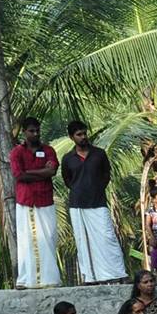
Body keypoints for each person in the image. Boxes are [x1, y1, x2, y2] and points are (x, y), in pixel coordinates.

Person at [59, 120, 126, 283]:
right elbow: (67, 180)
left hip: (98, 202)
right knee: (83, 241)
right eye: (78, 135)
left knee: (107, 237)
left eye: (84, 133)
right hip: (77, 204)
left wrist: (95, 188)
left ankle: (118, 274)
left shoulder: (99, 154)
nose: (83, 137)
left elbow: (106, 175)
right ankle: (90, 277)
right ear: (71, 137)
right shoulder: (68, 158)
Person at [7, 116, 62, 287]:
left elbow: (52, 171)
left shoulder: (48, 150)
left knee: (49, 238)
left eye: (37, 130)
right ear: (24, 132)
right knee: (28, 240)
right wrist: (41, 171)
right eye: (31, 131)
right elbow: (19, 175)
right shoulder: (17, 152)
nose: (35, 133)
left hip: (45, 200)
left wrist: (31, 172)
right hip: (27, 202)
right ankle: (27, 280)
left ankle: (50, 279)